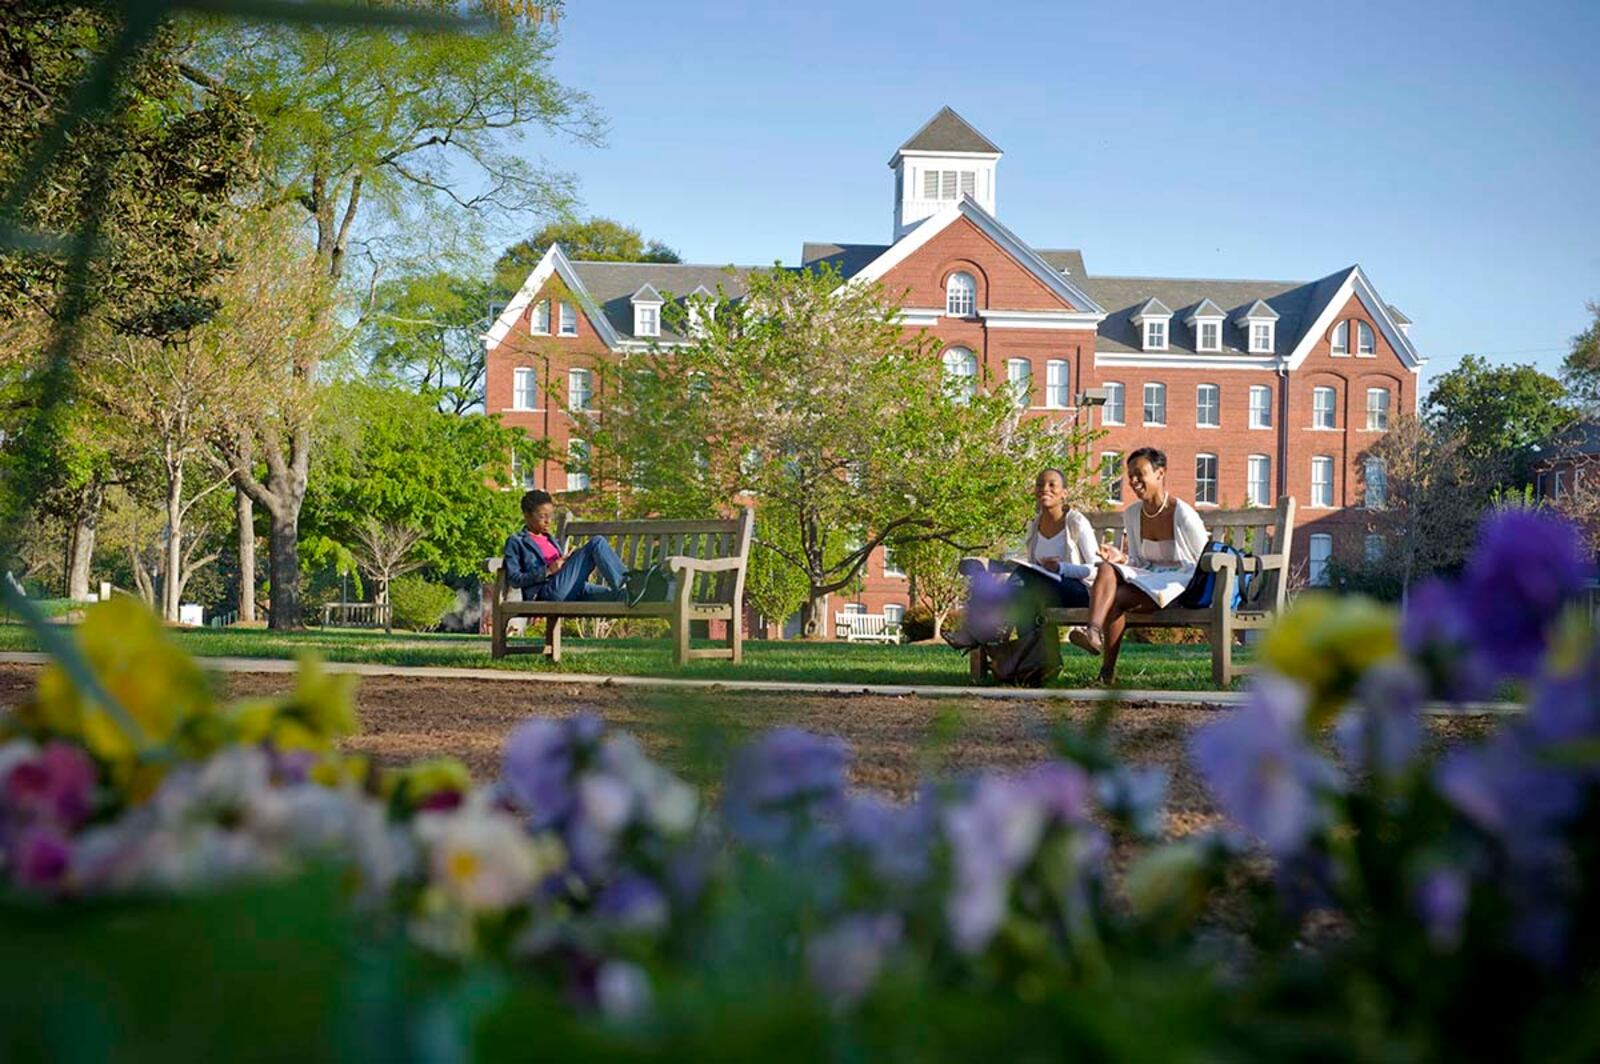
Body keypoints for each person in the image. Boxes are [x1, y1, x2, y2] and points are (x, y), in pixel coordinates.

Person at [1072, 446, 1209, 683]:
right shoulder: (1132, 513)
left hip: (1178, 585)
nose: (1133, 481)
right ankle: (1093, 634)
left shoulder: (1183, 515)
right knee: (1106, 569)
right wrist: (1121, 558)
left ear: (1160, 473)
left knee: (1113, 600)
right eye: (1130, 475)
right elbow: (1138, 561)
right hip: (1148, 578)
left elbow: (1204, 560)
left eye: (1139, 474)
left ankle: (1106, 672)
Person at [947, 467, 1097, 649]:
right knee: (1023, 593)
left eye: (1052, 485)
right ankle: (1031, 664)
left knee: (1026, 579)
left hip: (1078, 593)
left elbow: (1096, 569)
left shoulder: (1076, 522)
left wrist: (1061, 568)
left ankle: (982, 630)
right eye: (1040, 485)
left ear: (1064, 493)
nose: (1045, 489)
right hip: (1043, 592)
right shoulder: (1034, 526)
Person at [503, 489, 626, 603]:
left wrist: (569, 560)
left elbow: (560, 568)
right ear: (527, 515)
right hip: (547, 592)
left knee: (620, 595)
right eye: (542, 516)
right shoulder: (517, 541)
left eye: (550, 515)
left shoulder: (549, 539)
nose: (548, 521)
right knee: (596, 543)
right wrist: (548, 570)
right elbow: (514, 579)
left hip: (570, 587)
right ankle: (630, 583)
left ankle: (635, 591)